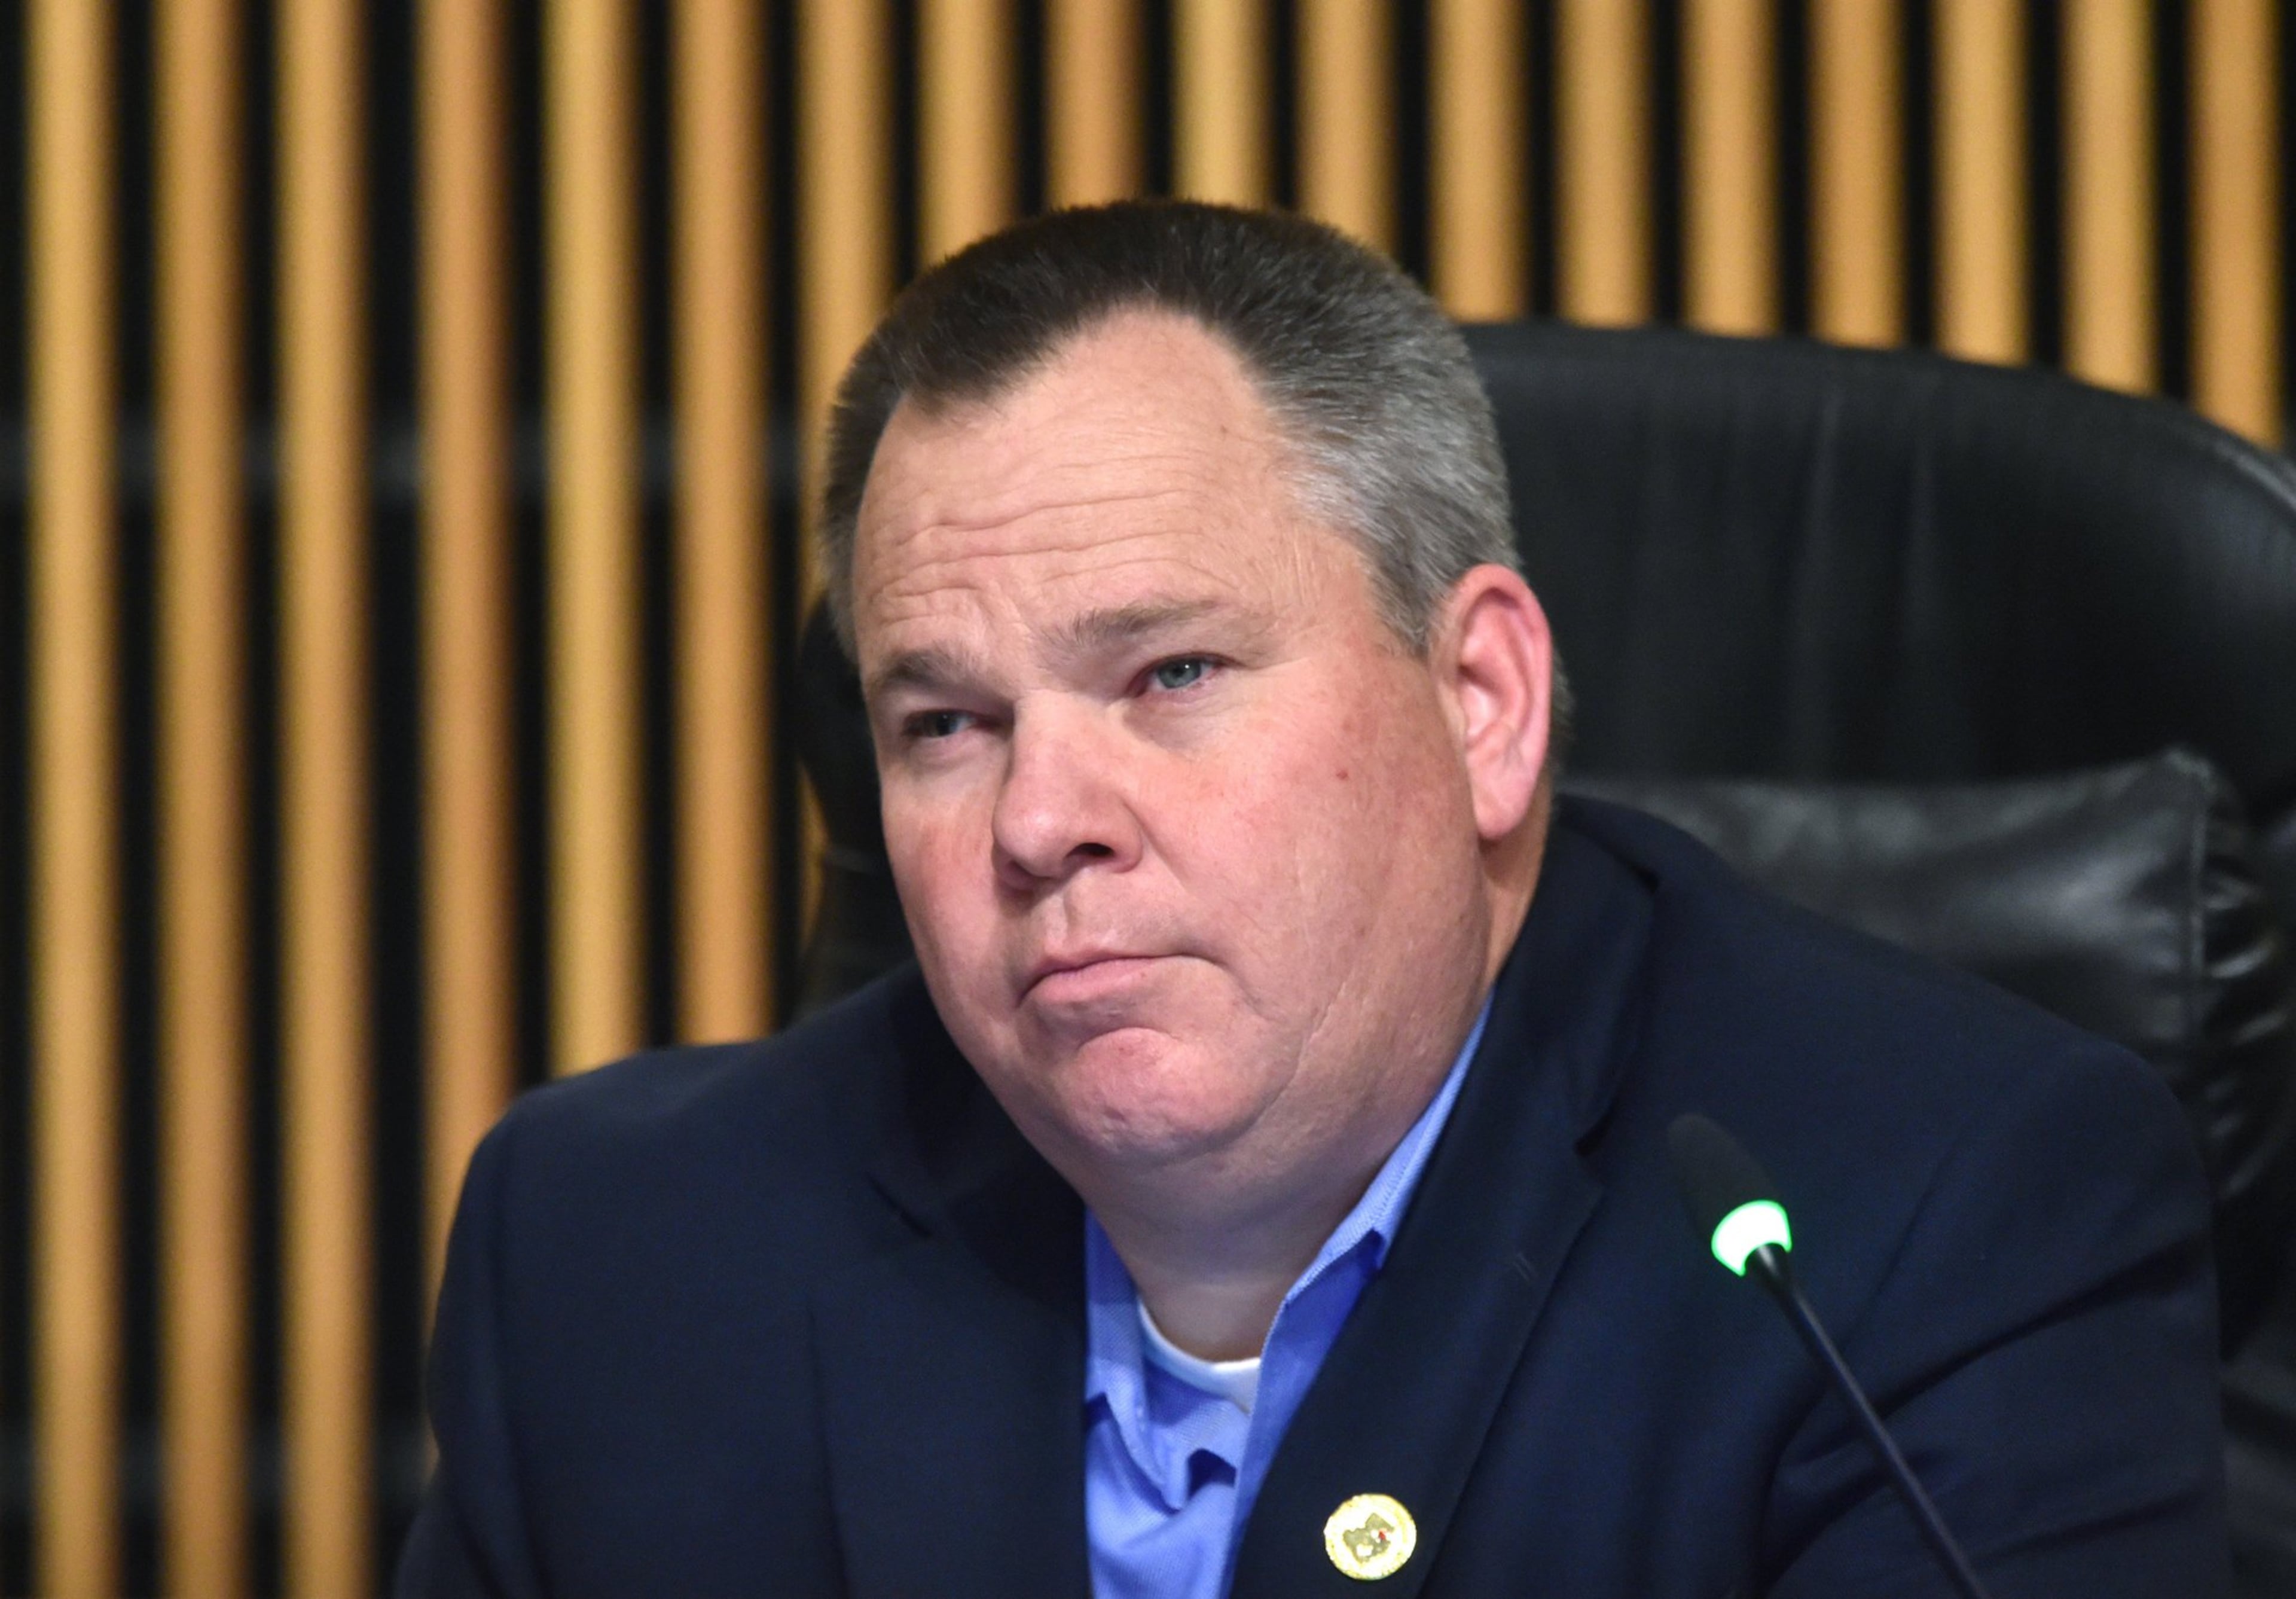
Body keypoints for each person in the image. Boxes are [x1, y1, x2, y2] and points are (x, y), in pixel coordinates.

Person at [399, 202, 2227, 1598]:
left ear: (1482, 701)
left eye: (1172, 673)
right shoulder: (611, 1264)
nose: (1041, 819)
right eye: (947, 722)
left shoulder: (1932, 1238)